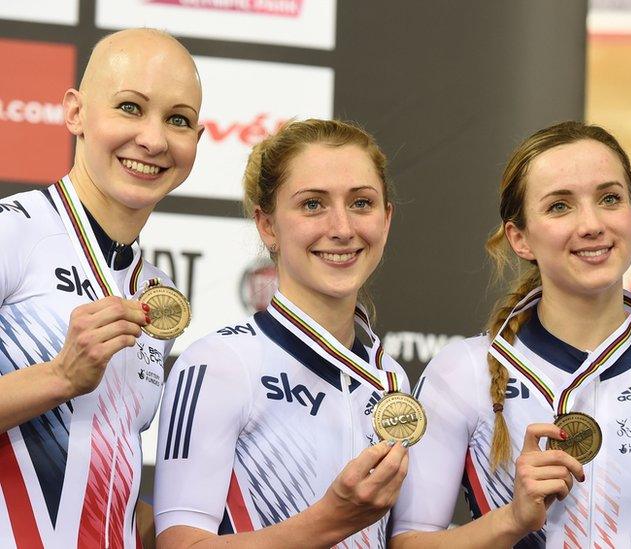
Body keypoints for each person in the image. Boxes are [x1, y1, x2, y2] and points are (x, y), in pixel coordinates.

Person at [390, 121, 631, 548]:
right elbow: (407, 544)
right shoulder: (461, 373)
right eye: (560, 206)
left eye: (610, 198)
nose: (592, 224)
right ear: (520, 238)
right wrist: (513, 519)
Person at [153, 119, 411, 548]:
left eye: (361, 203)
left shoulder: (391, 382)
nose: (342, 228)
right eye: (312, 204)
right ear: (267, 224)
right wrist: (329, 520)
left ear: (386, 219)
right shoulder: (218, 363)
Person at [0, 29, 202, 548]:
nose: (154, 140)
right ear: (75, 113)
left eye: (177, 120)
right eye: (130, 108)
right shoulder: (12, 232)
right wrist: (60, 377)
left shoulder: (156, 289)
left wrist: (133, 509)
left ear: (196, 142)